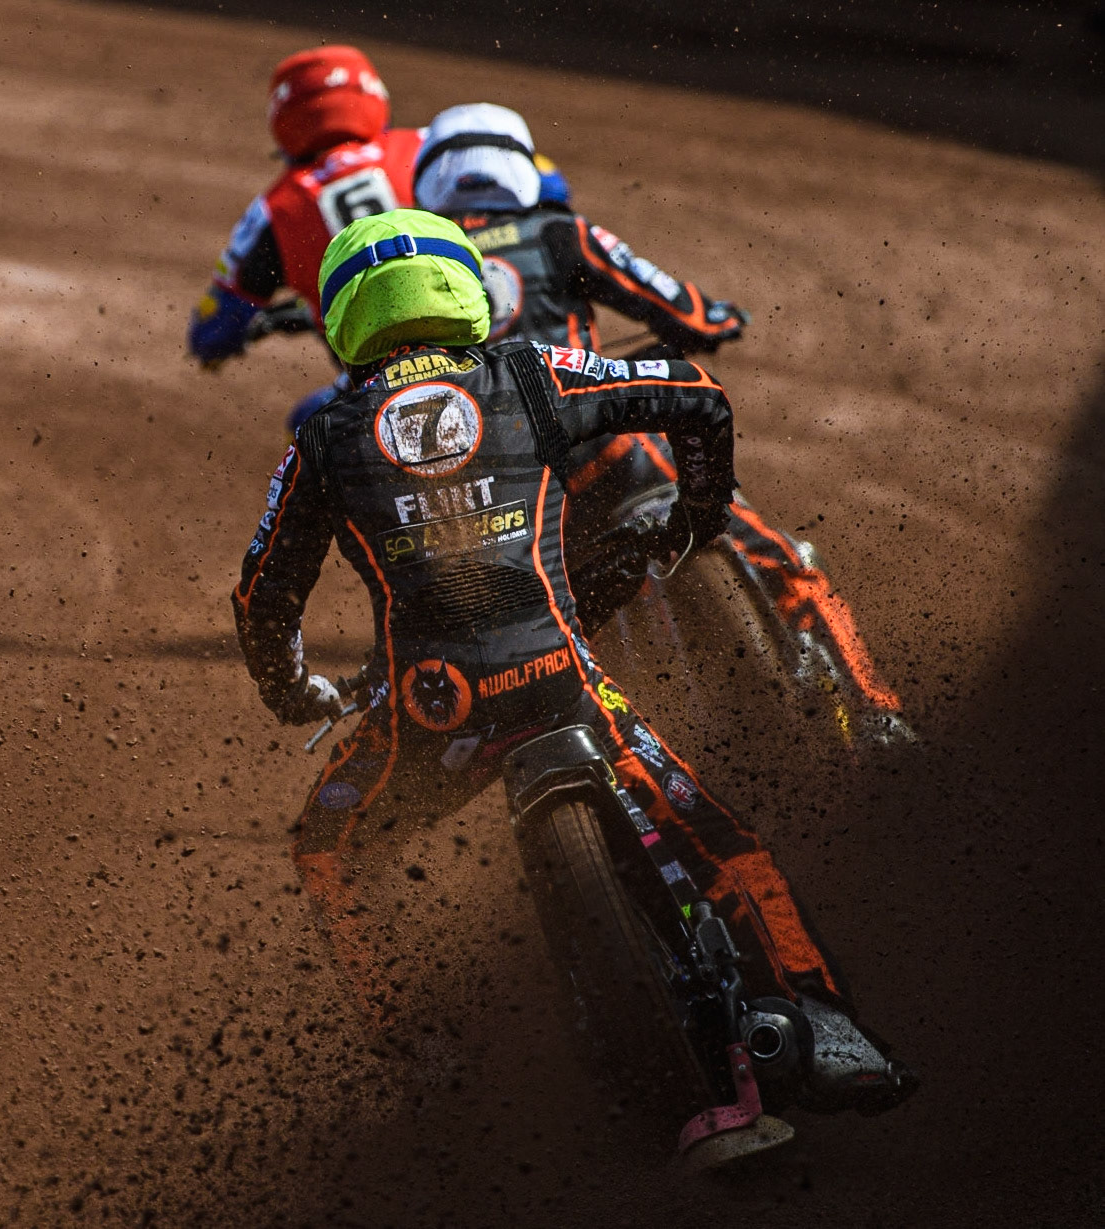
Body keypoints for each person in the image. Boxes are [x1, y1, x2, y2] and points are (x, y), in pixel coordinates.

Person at [231, 208, 914, 1117]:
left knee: (325, 849)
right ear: (462, 290)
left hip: (439, 722)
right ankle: (830, 1024)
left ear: (346, 315)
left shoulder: (323, 439)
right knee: (722, 843)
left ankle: (423, 1060)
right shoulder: (530, 371)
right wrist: (695, 522)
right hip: (566, 678)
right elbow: (700, 398)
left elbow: (260, 597)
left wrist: (291, 688)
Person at [412, 103, 905, 741]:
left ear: (428, 182)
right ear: (519, 164)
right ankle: (875, 711)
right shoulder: (561, 232)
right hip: (612, 454)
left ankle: (612, 783)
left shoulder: (421, 271)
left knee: (529, 658)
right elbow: (681, 310)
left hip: (515, 500)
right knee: (766, 547)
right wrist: (717, 319)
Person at [185, 47, 571, 430]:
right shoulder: (430, 146)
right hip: (503, 343)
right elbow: (552, 188)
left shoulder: (274, 210)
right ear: (373, 94)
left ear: (283, 119)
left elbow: (211, 333)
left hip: (388, 393)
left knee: (307, 423)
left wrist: (303, 311)